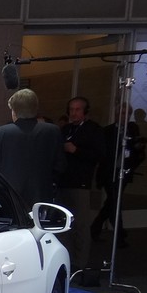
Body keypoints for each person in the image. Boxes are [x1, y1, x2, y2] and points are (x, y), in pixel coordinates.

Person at [0, 89, 66, 207]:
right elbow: (60, 166)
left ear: (14, 111)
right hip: (42, 197)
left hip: (9, 199)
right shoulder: (53, 131)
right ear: (36, 108)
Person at [56, 96, 104, 269]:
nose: (74, 113)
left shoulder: (93, 130)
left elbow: (98, 155)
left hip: (80, 183)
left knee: (80, 225)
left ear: (85, 111)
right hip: (63, 182)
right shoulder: (66, 129)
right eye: (71, 110)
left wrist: (75, 150)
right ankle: (65, 259)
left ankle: (80, 263)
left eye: (77, 109)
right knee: (64, 224)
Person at [92, 102, 146, 248]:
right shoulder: (107, 131)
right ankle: (119, 235)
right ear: (116, 114)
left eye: (127, 114)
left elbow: (138, 152)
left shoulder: (132, 129)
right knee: (115, 202)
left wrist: (135, 154)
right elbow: (102, 153)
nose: (125, 117)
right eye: (122, 113)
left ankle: (95, 228)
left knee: (111, 202)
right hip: (109, 173)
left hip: (123, 172)